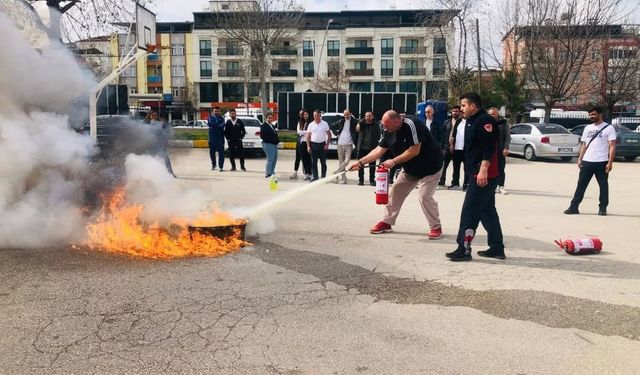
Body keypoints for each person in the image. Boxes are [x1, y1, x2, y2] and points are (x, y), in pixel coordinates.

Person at [349, 110, 444, 240]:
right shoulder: (387, 131)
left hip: (431, 167)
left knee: (424, 196)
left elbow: (414, 151)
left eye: (387, 125)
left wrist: (393, 161)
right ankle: (387, 222)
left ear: (397, 120)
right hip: (411, 169)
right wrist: (360, 162)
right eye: (383, 125)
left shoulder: (412, 124)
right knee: (395, 191)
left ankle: (436, 227)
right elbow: (378, 150)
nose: (385, 128)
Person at [446, 92, 505, 262]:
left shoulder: (485, 121)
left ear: (473, 106)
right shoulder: (471, 121)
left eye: (463, 106)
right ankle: (496, 248)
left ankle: (463, 249)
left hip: (484, 174)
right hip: (476, 172)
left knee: (470, 211)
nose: (461, 109)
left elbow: (489, 148)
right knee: (487, 212)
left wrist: (484, 169)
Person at [564, 106, 616, 216]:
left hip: (602, 161)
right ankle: (574, 207)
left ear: (600, 115)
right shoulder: (587, 128)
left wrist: (610, 162)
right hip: (587, 161)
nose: (591, 117)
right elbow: (584, 144)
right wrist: (580, 158)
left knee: (603, 185)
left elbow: (612, 146)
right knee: (581, 185)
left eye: (593, 114)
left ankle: (602, 208)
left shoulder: (609, 128)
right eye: (590, 115)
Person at [330, 109, 358, 184]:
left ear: (350, 114)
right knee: (341, 162)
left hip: (349, 145)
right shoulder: (341, 121)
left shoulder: (354, 121)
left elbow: (360, 123)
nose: (346, 116)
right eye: (345, 114)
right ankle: (343, 178)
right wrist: (336, 134)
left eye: (347, 114)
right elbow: (331, 125)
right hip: (340, 144)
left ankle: (336, 173)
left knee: (347, 161)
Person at [145, 111, 176, 178]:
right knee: (149, 159)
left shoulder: (161, 124)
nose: (154, 116)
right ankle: (149, 174)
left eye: (155, 115)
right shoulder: (147, 124)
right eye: (153, 115)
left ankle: (170, 173)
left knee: (166, 159)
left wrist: (165, 141)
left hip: (160, 144)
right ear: (150, 116)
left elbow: (167, 132)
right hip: (151, 144)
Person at [488, 107, 511, 195]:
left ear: (497, 114)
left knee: (501, 168)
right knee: (490, 167)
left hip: (500, 149)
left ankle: (501, 186)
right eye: (489, 114)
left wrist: (506, 147)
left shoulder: (503, 123)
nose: (491, 116)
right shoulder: (487, 123)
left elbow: (507, 136)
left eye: (493, 114)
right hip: (490, 149)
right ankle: (491, 186)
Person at [355, 112, 381, 186]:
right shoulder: (361, 124)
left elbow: (378, 135)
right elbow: (357, 130)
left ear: (372, 116)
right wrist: (359, 122)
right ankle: (361, 180)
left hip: (372, 148)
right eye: (366, 116)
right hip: (362, 148)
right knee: (360, 165)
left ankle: (372, 180)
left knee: (372, 166)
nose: (368, 117)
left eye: (369, 116)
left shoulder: (376, 125)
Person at [306, 110, 332, 181]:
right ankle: (315, 177)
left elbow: (329, 135)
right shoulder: (311, 125)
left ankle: (323, 176)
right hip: (313, 145)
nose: (316, 117)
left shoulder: (325, 124)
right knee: (314, 162)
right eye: (315, 115)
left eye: (317, 115)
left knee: (323, 162)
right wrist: (308, 146)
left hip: (322, 145)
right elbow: (308, 137)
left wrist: (327, 144)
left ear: (320, 116)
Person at [439, 106, 462, 187]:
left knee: (456, 166)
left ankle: (455, 183)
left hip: (457, 148)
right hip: (446, 148)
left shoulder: (462, 122)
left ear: (459, 112)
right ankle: (441, 181)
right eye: (453, 111)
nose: (454, 113)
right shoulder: (447, 122)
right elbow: (443, 134)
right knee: (443, 165)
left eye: (456, 111)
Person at [448, 111, 468, 191]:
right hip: (457, 148)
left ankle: (466, 184)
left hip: (466, 149)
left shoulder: (471, 121)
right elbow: (453, 134)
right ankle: (455, 183)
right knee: (456, 167)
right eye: (462, 113)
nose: (463, 113)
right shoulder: (459, 121)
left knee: (467, 168)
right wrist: (452, 144)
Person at [290, 110, 312, 180]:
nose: (305, 115)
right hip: (300, 142)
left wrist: (305, 132)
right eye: (303, 114)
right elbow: (299, 132)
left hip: (308, 142)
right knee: (299, 158)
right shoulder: (300, 123)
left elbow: (311, 132)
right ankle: (296, 173)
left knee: (307, 158)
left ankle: (308, 173)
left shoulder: (310, 123)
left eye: (306, 114)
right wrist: (307, 132)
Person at [260, 113, 279, 178]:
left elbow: (275, 134)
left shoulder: (272, 126)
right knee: (270, 159)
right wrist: (271, 140)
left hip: (274, 144)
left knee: (274, 159)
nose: (270, 119)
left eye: (271, 118)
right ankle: (268, 173)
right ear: (266, 118)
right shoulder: (264, 125)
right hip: (268, 144)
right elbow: (262, 136)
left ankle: (272, 171)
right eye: (269, 117)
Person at [207, 106, 225, 171]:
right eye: (215, 111)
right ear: (213, 111)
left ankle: (221, 166)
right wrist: (218, 125)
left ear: (219, 111)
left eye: (217, 111)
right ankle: (213, 165)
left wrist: (214, 126)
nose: (216, 112)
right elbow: (210, 124)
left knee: (221, 154)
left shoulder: (222, 118)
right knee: (212, 153)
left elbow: (222, 125)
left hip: (220, 139)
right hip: (212, 138)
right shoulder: (210, 118)